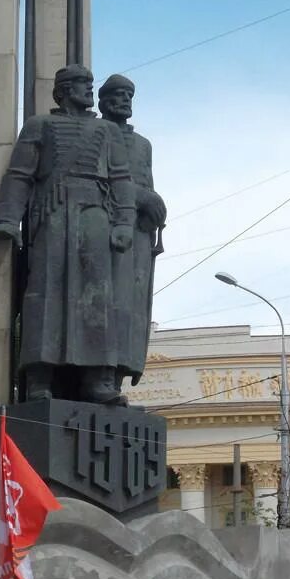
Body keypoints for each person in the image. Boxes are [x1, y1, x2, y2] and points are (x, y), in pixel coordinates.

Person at [0, 64, 135, 404]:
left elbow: (122, 180)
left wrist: (124, 222)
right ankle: (39, 378)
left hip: (95, 216)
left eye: (90, 85)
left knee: (98, 298)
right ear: (63, 90)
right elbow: (20, 175)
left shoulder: (106, 132)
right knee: (45, 294)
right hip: (51, 214)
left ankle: (98, 380)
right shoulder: (40, 125)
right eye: (82, 85)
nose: (89, 91)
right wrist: (8, 218)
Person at [98, 74, 166, 387]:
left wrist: (155, 209)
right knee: (108, 305)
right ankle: (99, 373)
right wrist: (141, 197)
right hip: (105, 231)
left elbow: (145, 183)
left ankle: (118, 373)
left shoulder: (142, 145)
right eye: (118, 94)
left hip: (139, 233)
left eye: (129, 95)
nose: (124, 100)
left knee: (132, 307)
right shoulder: (96, 134)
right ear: (102, 101)